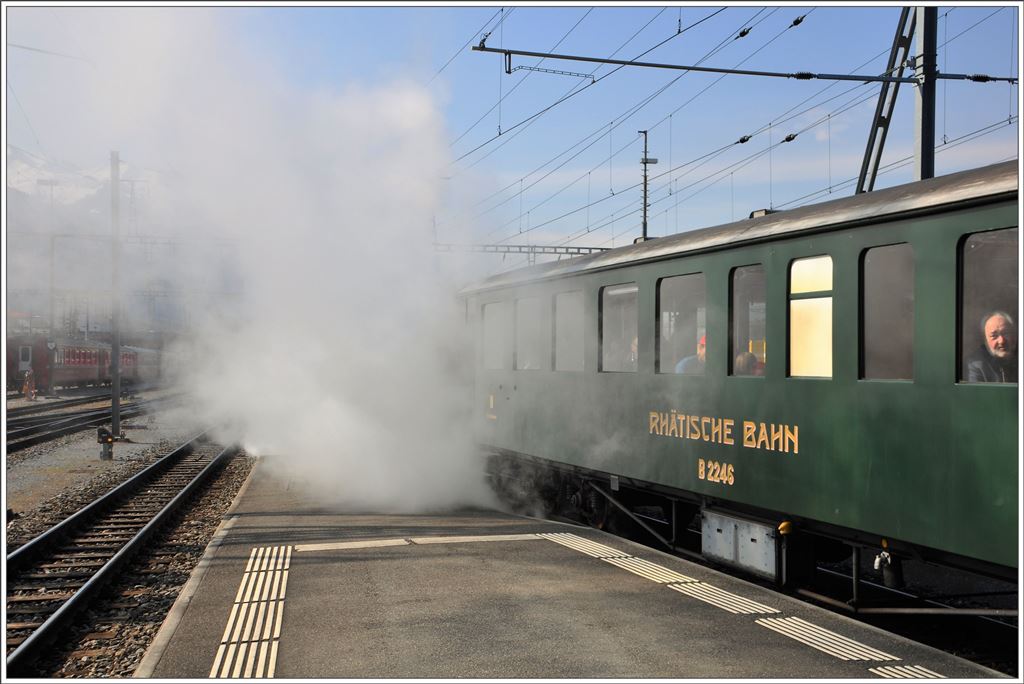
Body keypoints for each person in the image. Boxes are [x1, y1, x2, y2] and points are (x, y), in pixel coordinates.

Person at [968, 311, 1017, 383]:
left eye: (1006, 333)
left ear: (1014, 335)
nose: (1001, 341)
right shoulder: (976, 365)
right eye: (994, 336)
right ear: (985, 340)